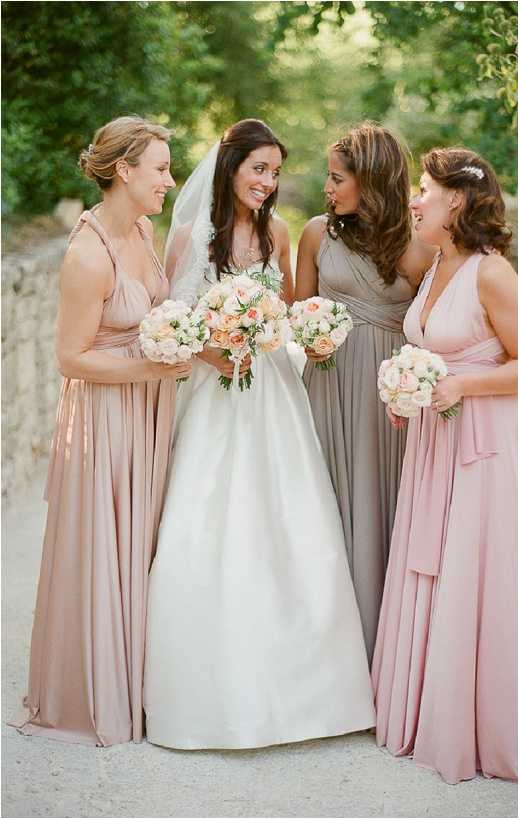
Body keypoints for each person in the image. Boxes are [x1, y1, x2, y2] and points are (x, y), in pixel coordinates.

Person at [143, 119, 375, 750]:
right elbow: (174, 319)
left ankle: (311, 696)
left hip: (274, 394)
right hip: (214, 394)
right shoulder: (190, 236)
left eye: (275, 172)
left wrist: (307, 334)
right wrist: (213, 349)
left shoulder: (278, 234)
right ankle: (204, 692)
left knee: (291, 520)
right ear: (231, 167)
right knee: (209, 521)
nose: (268, 182)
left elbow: (291, 313)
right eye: (259, 169)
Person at [372, 147, 518, 783]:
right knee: (440, 564)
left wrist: (461, 386)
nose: (414, 200)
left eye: (424, 189)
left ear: (456, 200)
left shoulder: (491, 273)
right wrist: (409, 393)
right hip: (438, 437)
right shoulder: (436, 265)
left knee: (480, 571)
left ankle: (489, 727)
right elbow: (433, 350)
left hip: (488, 442)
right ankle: (435, 708)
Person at [12, 116, 191, 746]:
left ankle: (139, 682)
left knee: (141, 537)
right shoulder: (86, 255)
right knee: (106, 541)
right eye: (160, 169)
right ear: (124, 170)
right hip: (104, 415)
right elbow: (70, 358)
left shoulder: (143, 229)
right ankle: (95, 692)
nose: (169, 181)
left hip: (146, 406)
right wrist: (152, 367)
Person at [295, 123, 436, 662]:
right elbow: (298, 315)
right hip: (326, 387)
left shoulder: (420, 247)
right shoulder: (316, 234)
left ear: (372, 181)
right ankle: (326, 652)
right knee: (322, 505)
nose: (327, 188)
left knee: (384, 506)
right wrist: (310, 339)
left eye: (337, 179)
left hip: (387, 398)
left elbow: (432, 330)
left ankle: (386, 652)